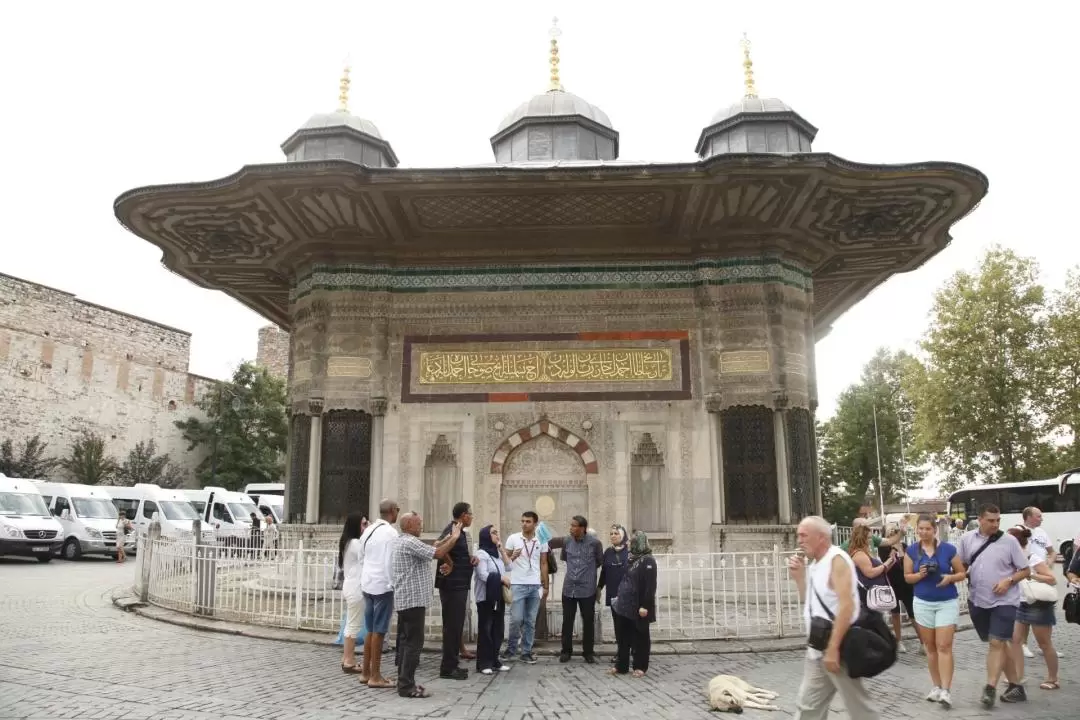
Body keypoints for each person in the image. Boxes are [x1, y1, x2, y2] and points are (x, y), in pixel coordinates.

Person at [787, 516, 879, 720]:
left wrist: (833, 648)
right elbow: (809, 602)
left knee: (860, 709)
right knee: (807, 707)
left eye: (804, 535)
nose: (799, 540)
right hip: (817, 649)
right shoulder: (815, 564)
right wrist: (800, 577)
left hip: (839, 648)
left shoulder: (837, 560)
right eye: (798, 535)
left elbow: (847, 606)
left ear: (821, 537)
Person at [958, 503, 1031, 707]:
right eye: (990, 520)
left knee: (997, 643)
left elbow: (1025, 571)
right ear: (979, 519)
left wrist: (1008, 581)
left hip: (1005, 601)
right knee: (998, 643)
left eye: (998, 520)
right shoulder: (966, 539)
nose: (995, 524)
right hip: (978, 600)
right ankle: (1016, 687)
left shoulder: (1009, 542)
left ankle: (990, 688)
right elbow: (962, 565)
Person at [391, 512, 460, 699]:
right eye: (419, 523)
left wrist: (445, 539)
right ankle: (406, 686)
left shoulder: (402, 541)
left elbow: (432, 547)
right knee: (414, 644)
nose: (421, 526)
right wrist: (454, 537)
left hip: (406, 600)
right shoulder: (409, 542)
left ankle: (404, 681)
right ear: (409, 525)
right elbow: (437, 553)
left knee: (406, 643)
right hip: (413, 601)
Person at [903, 513, 965, 708]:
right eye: (920, 529)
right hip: (922, 602)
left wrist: (949, 578)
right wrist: (919, 575)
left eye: (927, 529)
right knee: (930, 647)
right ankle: (936, 686)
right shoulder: (911, 551)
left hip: (946, 601)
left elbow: (962, 573)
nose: (923, 532)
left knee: (944, 646)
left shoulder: (948, 549)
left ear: (934, 530)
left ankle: (946, 690)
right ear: (916, 530)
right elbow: (907, 578)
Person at [1005, 525, 1060, 692]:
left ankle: (1053, 678)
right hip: (1019, 603)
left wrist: (1031, 574)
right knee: (1014, 640)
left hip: (1037, 603)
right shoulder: (1009, 557)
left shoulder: (1032, 557)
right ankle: (1018, 676)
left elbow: (1052, 579)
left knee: (1044, 643)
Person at [548, 515, 604, 663]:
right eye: (571, 525)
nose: (571, 528)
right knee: (567, 621)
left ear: (582, 528)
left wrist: (587, 574)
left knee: (588, 621)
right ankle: (566, 651)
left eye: (574, 526)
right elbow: (566, 558)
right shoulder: (567, 542)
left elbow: (599, 561)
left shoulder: (595, 544)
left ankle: (588, 652)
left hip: (587, 589)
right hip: (569, 588)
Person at [357, 499, 400, 688]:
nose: (398, 512)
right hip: (382, 585)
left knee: (371, 629)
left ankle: (365, 672)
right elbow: (390, 561)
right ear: (392, 511)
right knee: (379, 631)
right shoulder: (391, 533)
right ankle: (375, 676)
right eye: (397, 510)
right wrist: (392, 583)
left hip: (367, 582)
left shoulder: (368, 530)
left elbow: (361, 556)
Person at [435, 502, 477, 680]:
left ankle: (452, 664)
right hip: (453, 586)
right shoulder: (452, 530)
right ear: (463, 515)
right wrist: (450, 564)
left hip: (459, 584)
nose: (472, 517)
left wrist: (470, 559)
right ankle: (448, 667)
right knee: (452, 627)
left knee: (455, 626)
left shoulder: (459, 531)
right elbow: (439, 548)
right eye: (470, 514)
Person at [502, 511, 549, 664]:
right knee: (516, 619)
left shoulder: (541, 539)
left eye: (528, 521)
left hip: (535, 585)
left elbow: (543, 563)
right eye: (522, 521)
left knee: (530, 621)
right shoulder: (513, 538)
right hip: (517, 584)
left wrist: (545, 585)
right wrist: (512, 557)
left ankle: (526, 652)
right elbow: (505, 561)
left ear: (535, 523)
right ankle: (511, 649)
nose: (524, 524)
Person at [608, 531, 657, 678]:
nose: (629, 543)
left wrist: (645, 606)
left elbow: (650, 586)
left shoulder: (648, 561)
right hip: (625, 605)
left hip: (639, 606)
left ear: (639, 543)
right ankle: (621, 665)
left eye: (632, 541)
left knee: (640, 637)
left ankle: (640, 666)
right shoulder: (631, 559)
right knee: (623, 637)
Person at [1019, 506, 1061, 659]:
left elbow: (1052, 551)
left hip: (1042, 573)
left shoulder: (1042, 533)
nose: (1041, 518)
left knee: (1044, 607)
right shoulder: (1020, 531)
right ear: (1028, 517)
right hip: (1027, 573)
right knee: (1025, 608)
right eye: (1038, 516)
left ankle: (1045, 645)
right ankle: (1022, 644)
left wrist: (1050, 561)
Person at [473, 525, 512, 675]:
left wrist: (502, 549)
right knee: (486, 631)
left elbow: (510, 566)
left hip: (497, 597)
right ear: (485, 536)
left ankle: (495, 660)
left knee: (498, 630)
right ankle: (484, 663)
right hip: (485, 598)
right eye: (493, 533)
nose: (497, 535)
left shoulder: (496, 554)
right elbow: (482, 575)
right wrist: (500, 578)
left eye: (497, 532)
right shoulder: (481, 554)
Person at [878, 525, 915, 653]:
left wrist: (901, 552)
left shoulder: (904, 546)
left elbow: (909, 565)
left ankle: (923, 642)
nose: (893, 532)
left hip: (905, 584)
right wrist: (892, 553)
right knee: (895, 613)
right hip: (891, 582)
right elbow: (886, 566)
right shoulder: (883, 548)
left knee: (912, 613)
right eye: (890, 530)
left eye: (895, 530)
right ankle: (898, 641)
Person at [338, 512, 367, 674]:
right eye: (363, 524)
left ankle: (346, 658)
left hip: (350, 585)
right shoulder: (356, 543)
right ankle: (349, 660)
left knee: (351, 622)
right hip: (356, 587)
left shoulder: (347, 542)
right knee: (353, 624)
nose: (366, 527)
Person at [597, 524, 629, 662]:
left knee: (628, 624)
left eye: (616, 533)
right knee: (618, 625)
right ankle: (621, 652)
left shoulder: (630, 552)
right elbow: (604, 572)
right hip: (613, 593)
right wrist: (599, 588)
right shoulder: (608, 552)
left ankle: (630, 651)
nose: (613, 536)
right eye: (611, 533)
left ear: (622, 535)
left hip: (627, 594)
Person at [846, 524, 896, 611]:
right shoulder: (859, 554)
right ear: (862, 539)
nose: (871, 540)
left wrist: (891, 562)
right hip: (866, 597)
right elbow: (870, 573)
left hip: (874, 596)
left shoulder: (866, 552)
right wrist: (886, 563)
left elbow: (880, 571)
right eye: (869, 538)